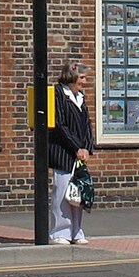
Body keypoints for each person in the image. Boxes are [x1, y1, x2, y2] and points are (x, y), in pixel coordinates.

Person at [48, 61, 94, 245]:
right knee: (62, 193)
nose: (84, 82)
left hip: (79, 154)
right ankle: (60, 232)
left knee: (77, 193)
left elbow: (87, 126)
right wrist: (76, 147)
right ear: (72, 77)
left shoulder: (80, 97)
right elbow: (60, 125)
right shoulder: (59, 93)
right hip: (63, 152)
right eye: (82, 77)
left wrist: (87, 148)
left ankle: (76, 232)